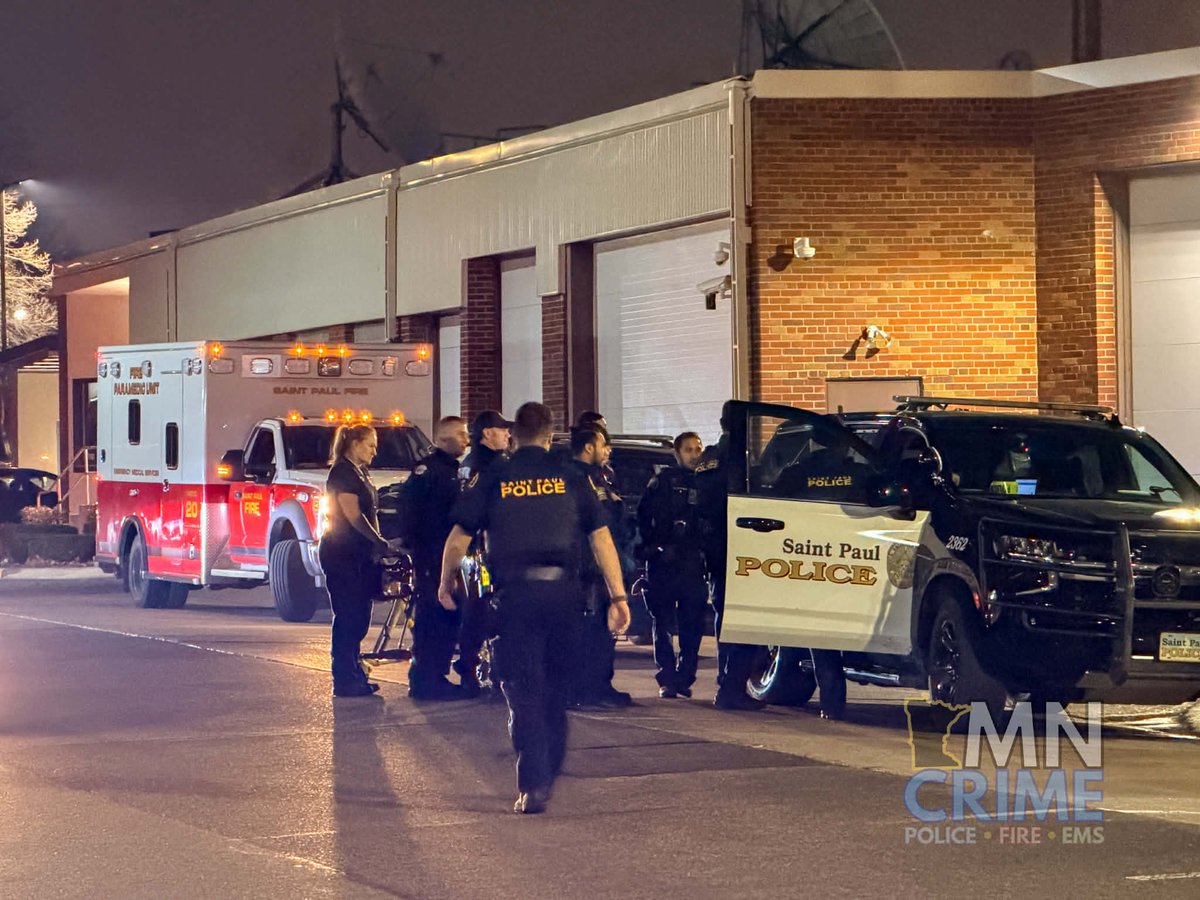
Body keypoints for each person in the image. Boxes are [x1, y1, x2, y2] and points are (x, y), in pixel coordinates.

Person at [438, 401, 631, 815]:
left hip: (515, 599)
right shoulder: (572, 477)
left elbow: (458, 538)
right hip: (564, 597)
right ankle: (548, 769)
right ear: (548, 436)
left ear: (514, 436)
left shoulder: (495, 476)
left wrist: (444, 583)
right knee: (556, 691)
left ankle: (533, 782)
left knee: (524, 691)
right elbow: (601, 539)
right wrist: (618, 596)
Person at [320, 423, 401, 698]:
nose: (374, 451)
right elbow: (353, 515)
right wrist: (379, 541)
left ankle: (355, 671)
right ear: (354, 444)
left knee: (360, 616)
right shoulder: (342, 473)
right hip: (341, 554)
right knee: (348, 616)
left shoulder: (360, 472)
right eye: (370, 445)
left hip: (358, 555)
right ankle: (343, 678)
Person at [695, 415, 765, 711]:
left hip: (714, 548)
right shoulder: (739, 461)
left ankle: (727, 684)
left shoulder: (707, 457)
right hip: (738, 546)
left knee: (725, 617)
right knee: (743, 621)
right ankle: (732, 688)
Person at [401, 416, 471, 701]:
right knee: (433, 617)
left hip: (443, 556)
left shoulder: (452, 471)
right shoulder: (430, 472)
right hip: (432, 558)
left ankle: (435, 675)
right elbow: (410, 512)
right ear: (444, 439)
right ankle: (427, 678)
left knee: (447, 616)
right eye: (462, 435)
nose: (466, 440)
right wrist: (421, 550)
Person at [637, 431, 707, 699]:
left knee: (692, 624)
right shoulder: (662, 482)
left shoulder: (706, 482)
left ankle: (685, 676)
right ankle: (666, 677)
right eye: (688, 450)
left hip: (692, 563)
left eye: (697, 448)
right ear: (677, 454)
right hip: (663, 562)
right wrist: (655, 548)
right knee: (663, 622)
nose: (694, 454)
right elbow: (645, 518)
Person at [569, 424, 633, 709]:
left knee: (604, 631)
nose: (608, 450)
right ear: (588, 447)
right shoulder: (575, 478)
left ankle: (602, 685)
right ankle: (585, 688)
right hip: (586, 567)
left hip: (605, 564)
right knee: (588, 630)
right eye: (603, 444)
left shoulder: (600, 478)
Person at [456, 409, 513, 693]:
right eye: (502, 430)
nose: (507, 435)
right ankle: (483, 669)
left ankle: (470, 667)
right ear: (488, 433)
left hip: (471, 550)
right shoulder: (493, 465)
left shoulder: (469, 462)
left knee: (474, 611)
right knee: (487, 612)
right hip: (486, 550)